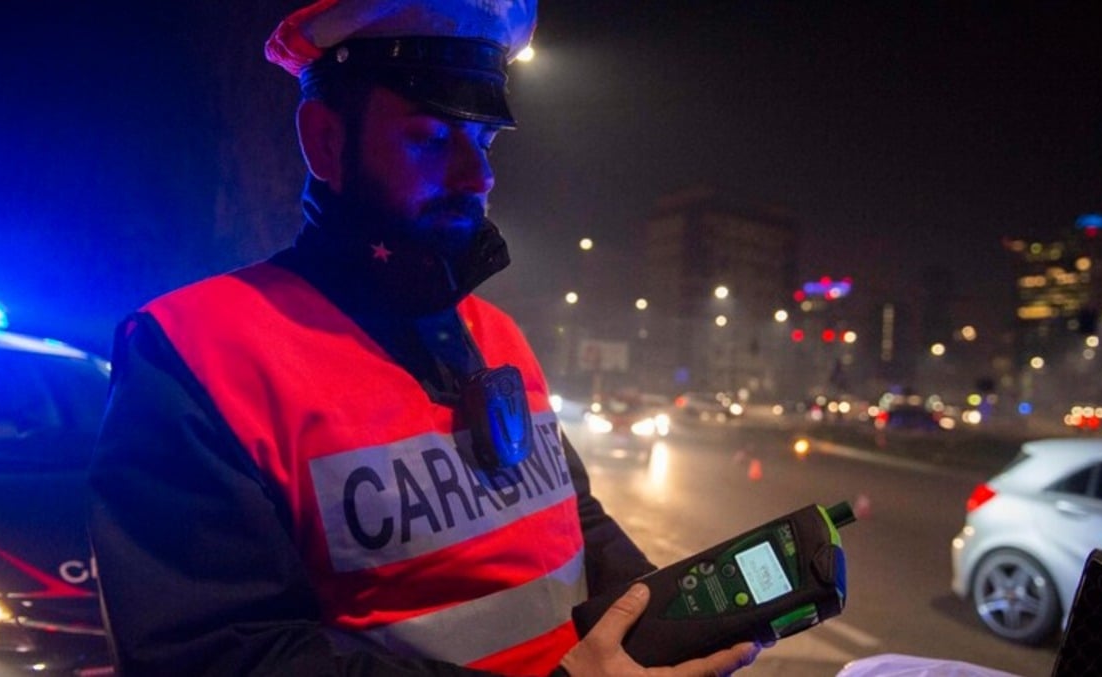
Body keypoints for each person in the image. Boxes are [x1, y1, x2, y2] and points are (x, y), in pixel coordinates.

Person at [86, 1, 762, 675]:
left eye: (485, 141)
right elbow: (218, 655)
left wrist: (671, 625)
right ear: (324, 140)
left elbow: (573, 521)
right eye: (431, 138)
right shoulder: (192, 353)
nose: (481, 177)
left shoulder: (498, 335)